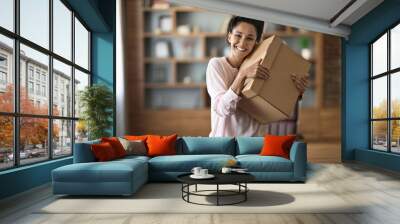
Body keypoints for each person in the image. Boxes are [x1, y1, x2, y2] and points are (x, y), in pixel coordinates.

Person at [206, 16, 308, 137]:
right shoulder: (217, 65)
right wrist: (242, 75)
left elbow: (274, 104)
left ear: (256, 42)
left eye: (249, 38)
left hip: (254, 142)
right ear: (229, 37)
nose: (242, 43)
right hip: (225, 143)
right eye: (238, 35)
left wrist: (296, 92)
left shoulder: (263, 66)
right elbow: (222, 109)